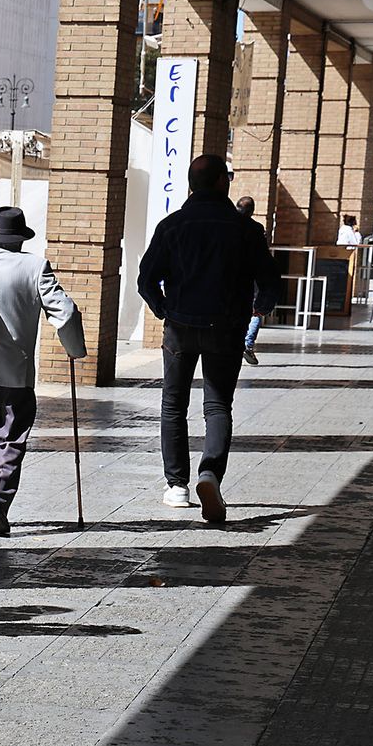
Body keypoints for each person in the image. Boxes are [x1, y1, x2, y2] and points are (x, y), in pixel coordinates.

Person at [138, 154, 283, 525]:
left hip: (180, 328)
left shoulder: (172, 226)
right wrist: (258, 309)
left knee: (174, 405)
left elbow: (146, 278)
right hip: (226, 328)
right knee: (217, 406)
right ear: (221, 182)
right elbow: (269, 281)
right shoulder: (245, 229)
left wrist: (164, 309)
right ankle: (210, 475)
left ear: (191, 184)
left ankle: (176, 486)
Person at [0, 206, 86, 537]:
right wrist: (75, 349)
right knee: (10, 438)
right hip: (16, 373)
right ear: (21, 238)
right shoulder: (35, 267)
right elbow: (64, 313)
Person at [236, 196, 267, 366]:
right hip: (251, 278)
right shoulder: (256, 229)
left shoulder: (227, 226)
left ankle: (233, 342)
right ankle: (247, 345)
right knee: (256, 312)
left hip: (229, 280)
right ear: (252, 211)